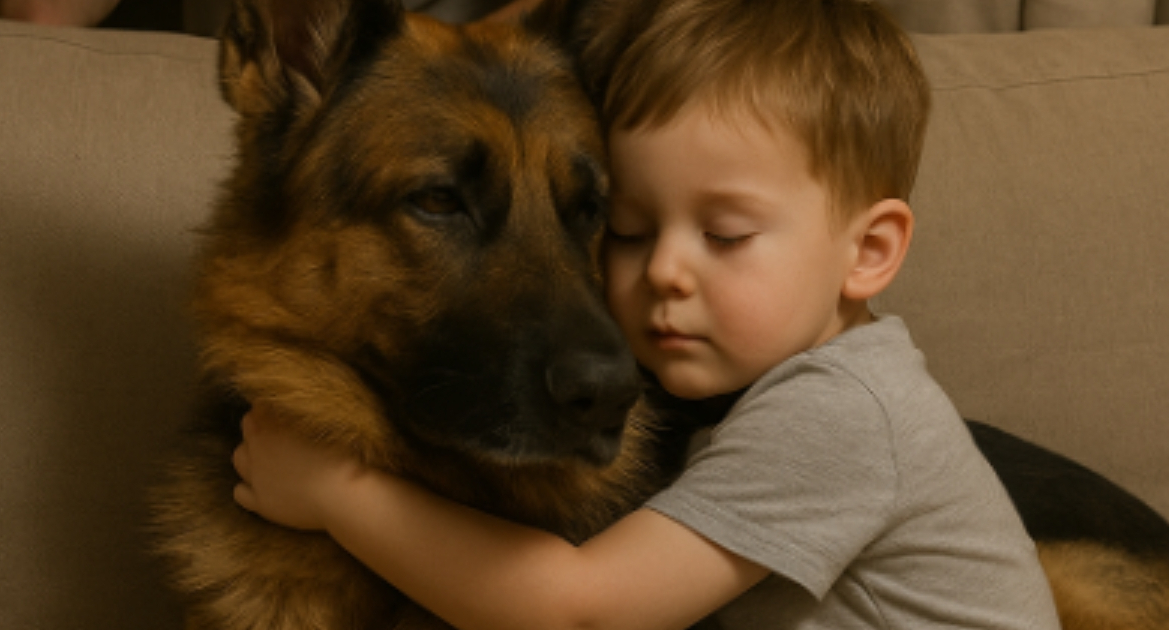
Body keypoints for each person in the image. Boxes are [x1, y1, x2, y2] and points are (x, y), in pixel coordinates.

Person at [231, 0, 1062, 628]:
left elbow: (577, 612)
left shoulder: (841, 416)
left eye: (726, 233)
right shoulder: (774, 414)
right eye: (629, 229)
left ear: (870, 249)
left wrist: (338, 492)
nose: (663, 271)